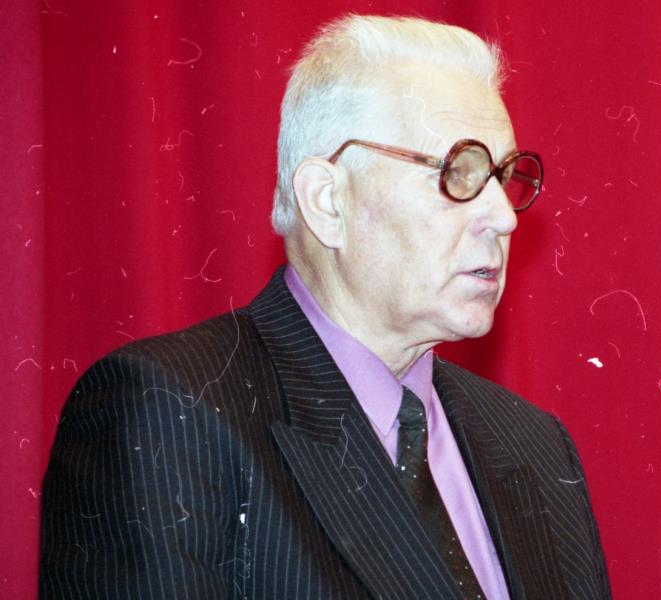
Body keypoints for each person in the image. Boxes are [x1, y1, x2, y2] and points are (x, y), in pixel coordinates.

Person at [40, 15, 609, 600]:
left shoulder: (536, 445)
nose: (504, 217)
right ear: (327, 201)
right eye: (458, 173)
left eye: (503, 176)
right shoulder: (173, 412)